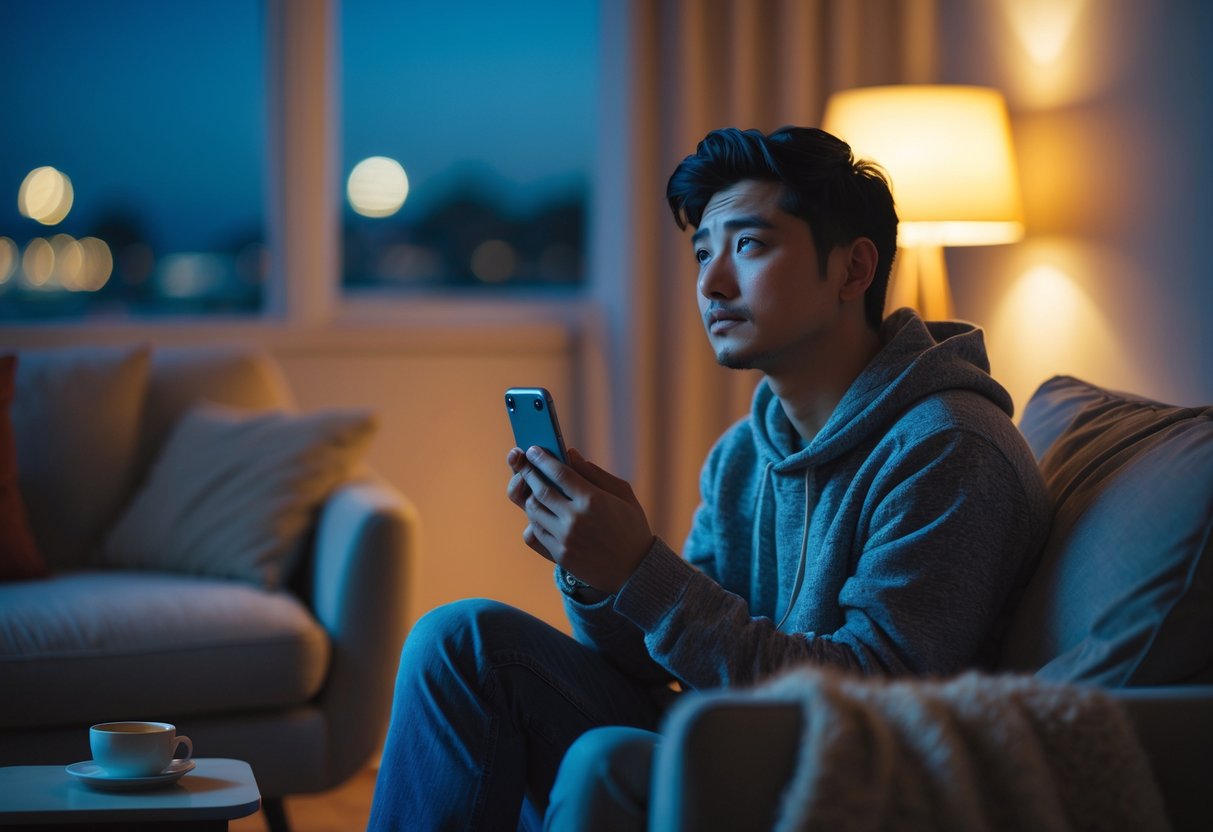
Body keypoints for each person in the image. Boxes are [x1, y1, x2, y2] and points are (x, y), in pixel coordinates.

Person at [366, 126, 1051, 831]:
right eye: (702, 253)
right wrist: (600, 574)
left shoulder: (948, 449)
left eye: (749, 246)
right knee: (459, 638)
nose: (710, 282)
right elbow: (657, 659)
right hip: (735, 734)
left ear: (852, 271)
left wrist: (643, 573)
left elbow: (869, 703)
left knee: (608, 757)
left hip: (864, 777)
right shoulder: (741, 455)